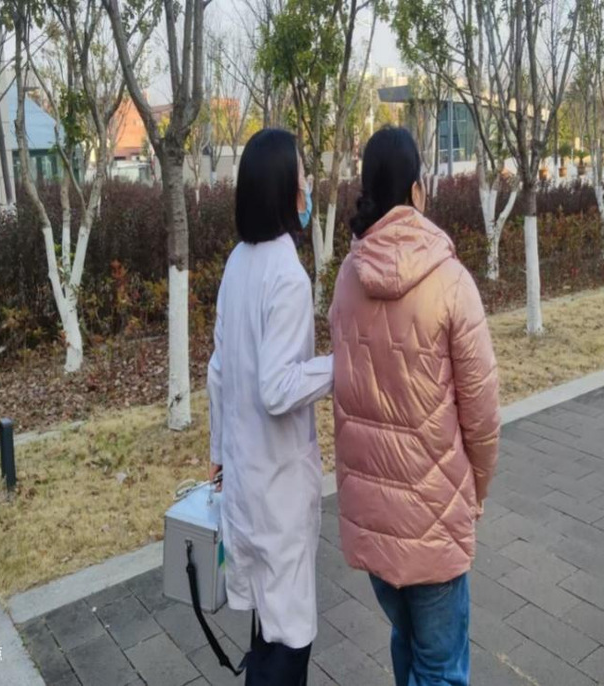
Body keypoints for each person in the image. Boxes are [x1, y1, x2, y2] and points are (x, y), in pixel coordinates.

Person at [328, 126, 500, 686]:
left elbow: (344, 398)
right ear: (417, 190)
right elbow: (482, 412)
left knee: (407, 643)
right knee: (441, 666)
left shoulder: (347, 279)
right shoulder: (450, 281)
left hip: (373, 518)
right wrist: (476, 489)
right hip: (434, 515)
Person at [206, 128, 333, 685]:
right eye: (302, 174)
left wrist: (218, 455)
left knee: (265, 624)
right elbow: (278, 388)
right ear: (284, 188)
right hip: (278, 487)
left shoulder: (238, 263)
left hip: (245, 479)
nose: (308, 184)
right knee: (289, 638)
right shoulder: (287, 276)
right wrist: (341, 365)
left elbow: (217, 372)